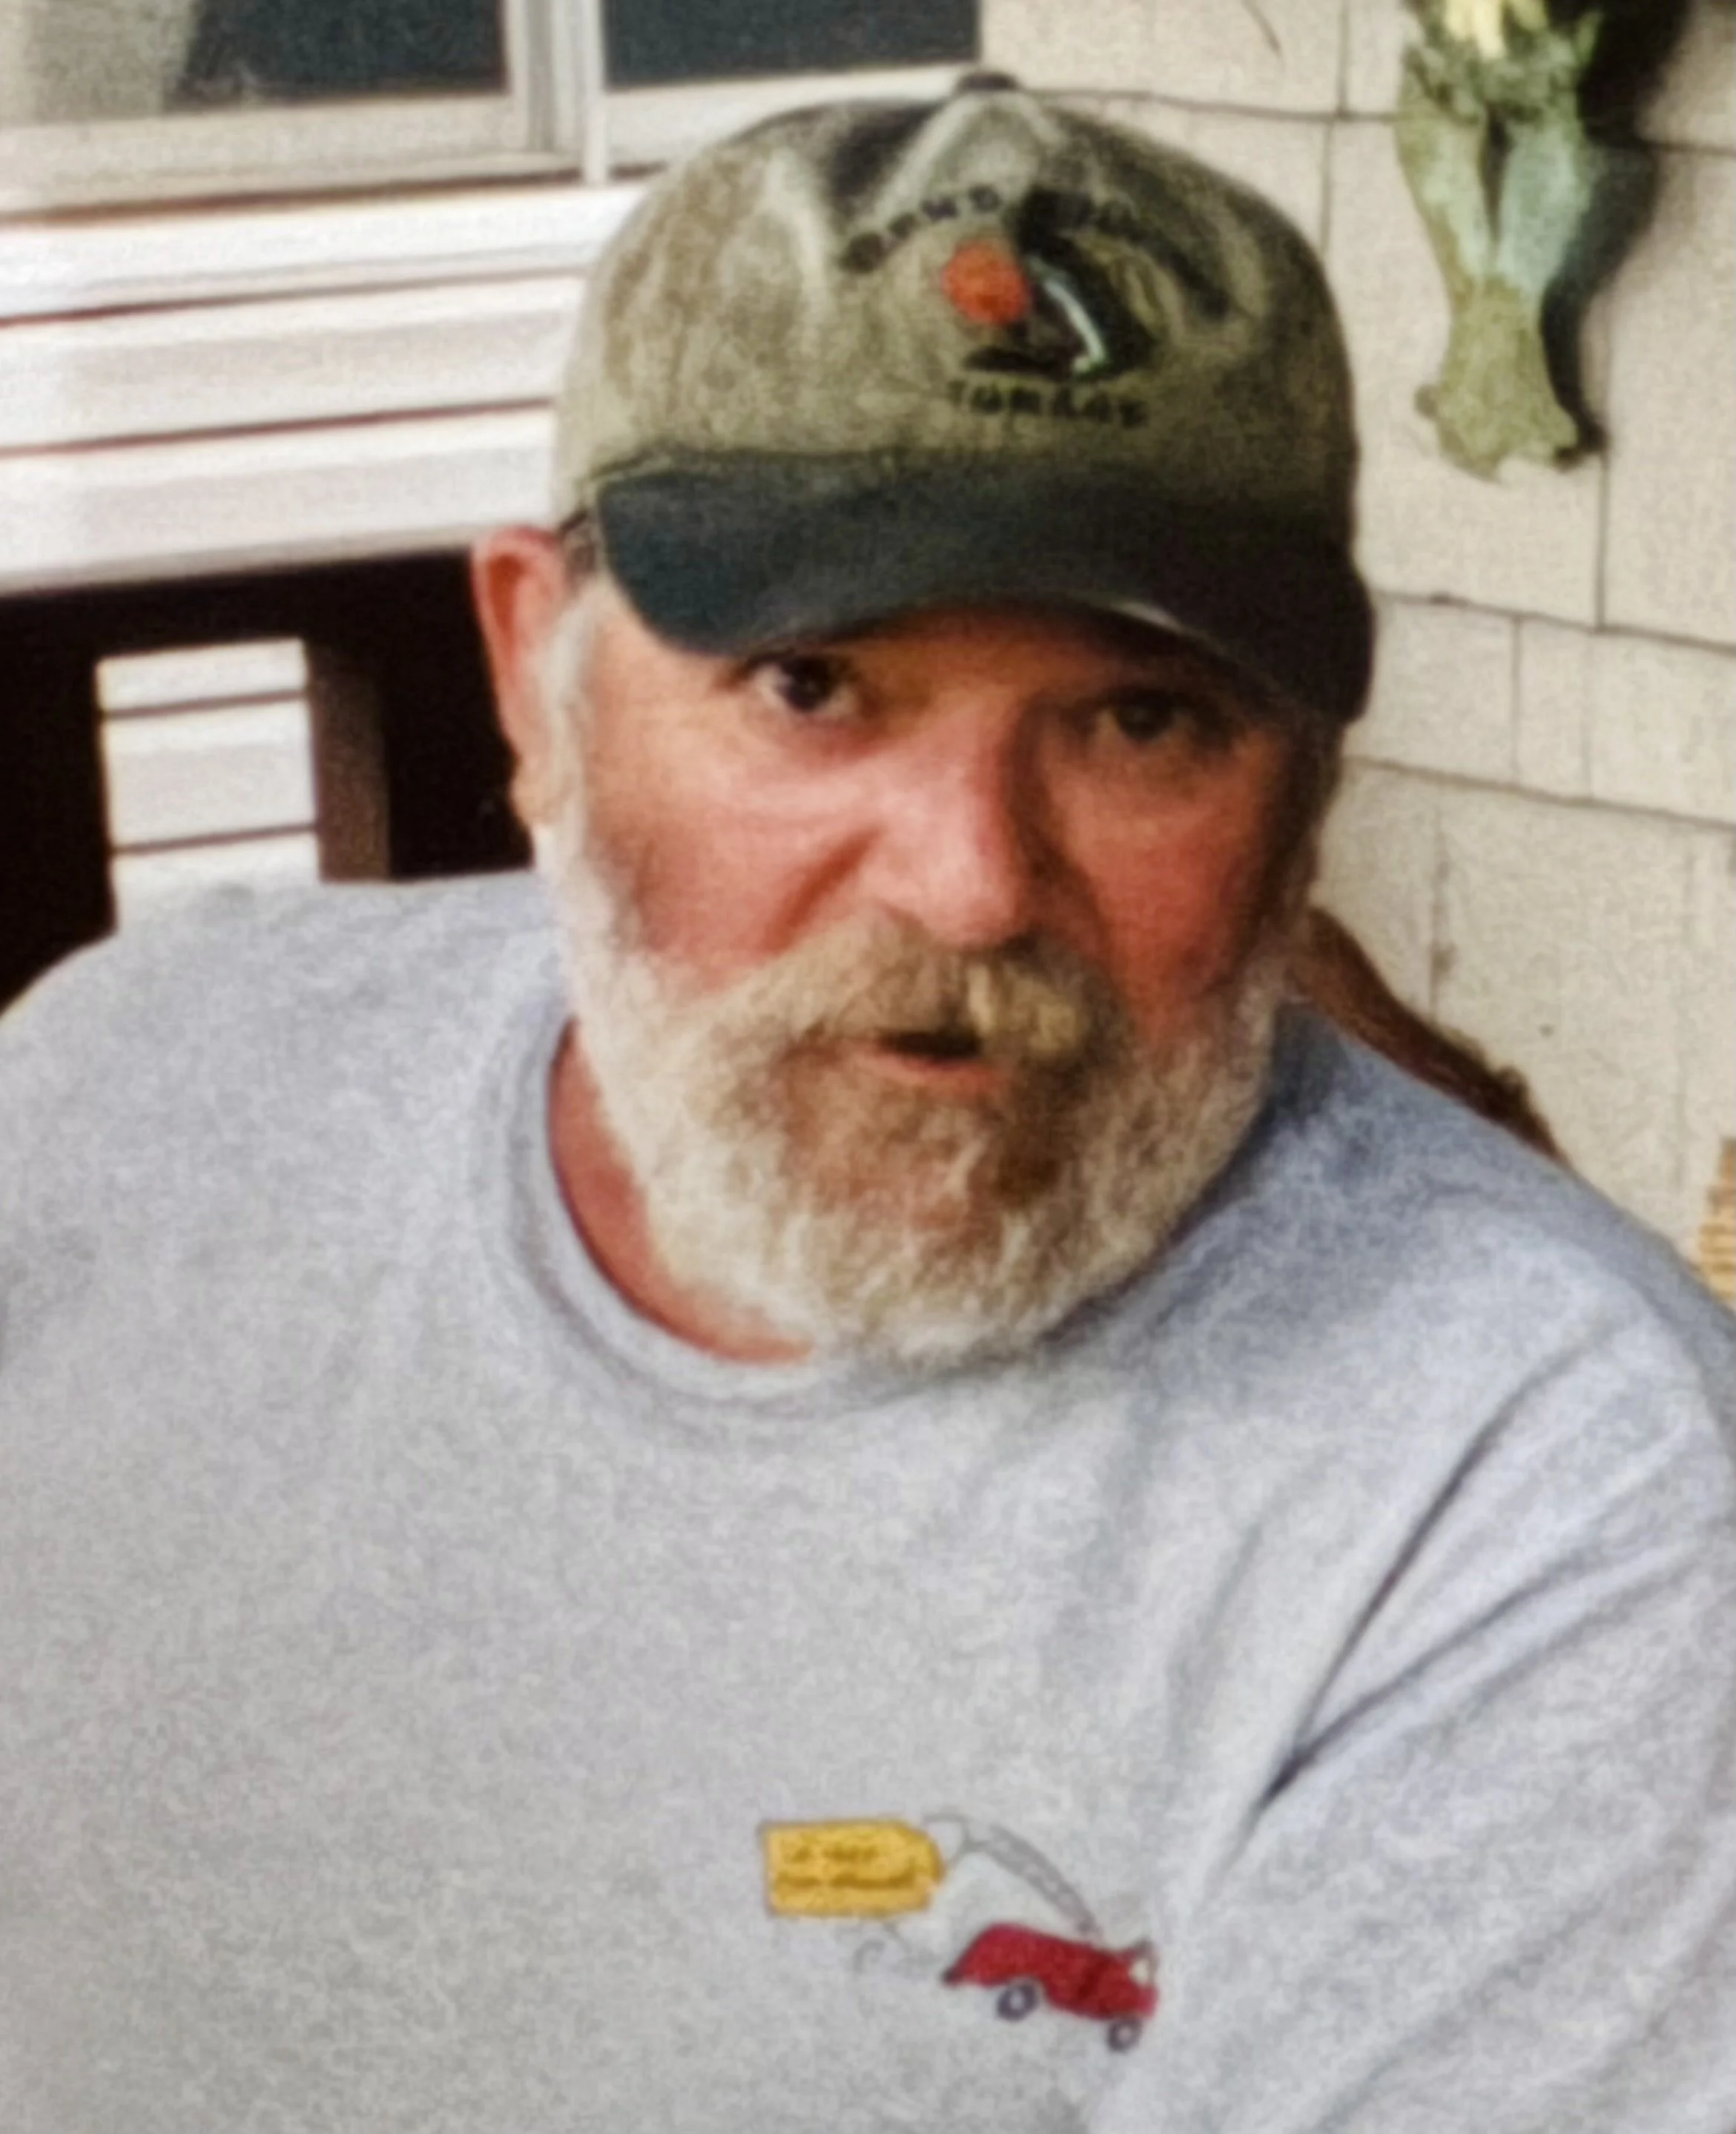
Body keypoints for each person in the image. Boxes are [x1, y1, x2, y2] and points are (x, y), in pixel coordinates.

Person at [1, 76, 1732, 2134]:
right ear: (535, 678)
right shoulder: (132, 1094)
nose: (974, 880)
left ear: (1305, 795)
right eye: (813, 685)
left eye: (1141, 720)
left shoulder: (1555, 1477)